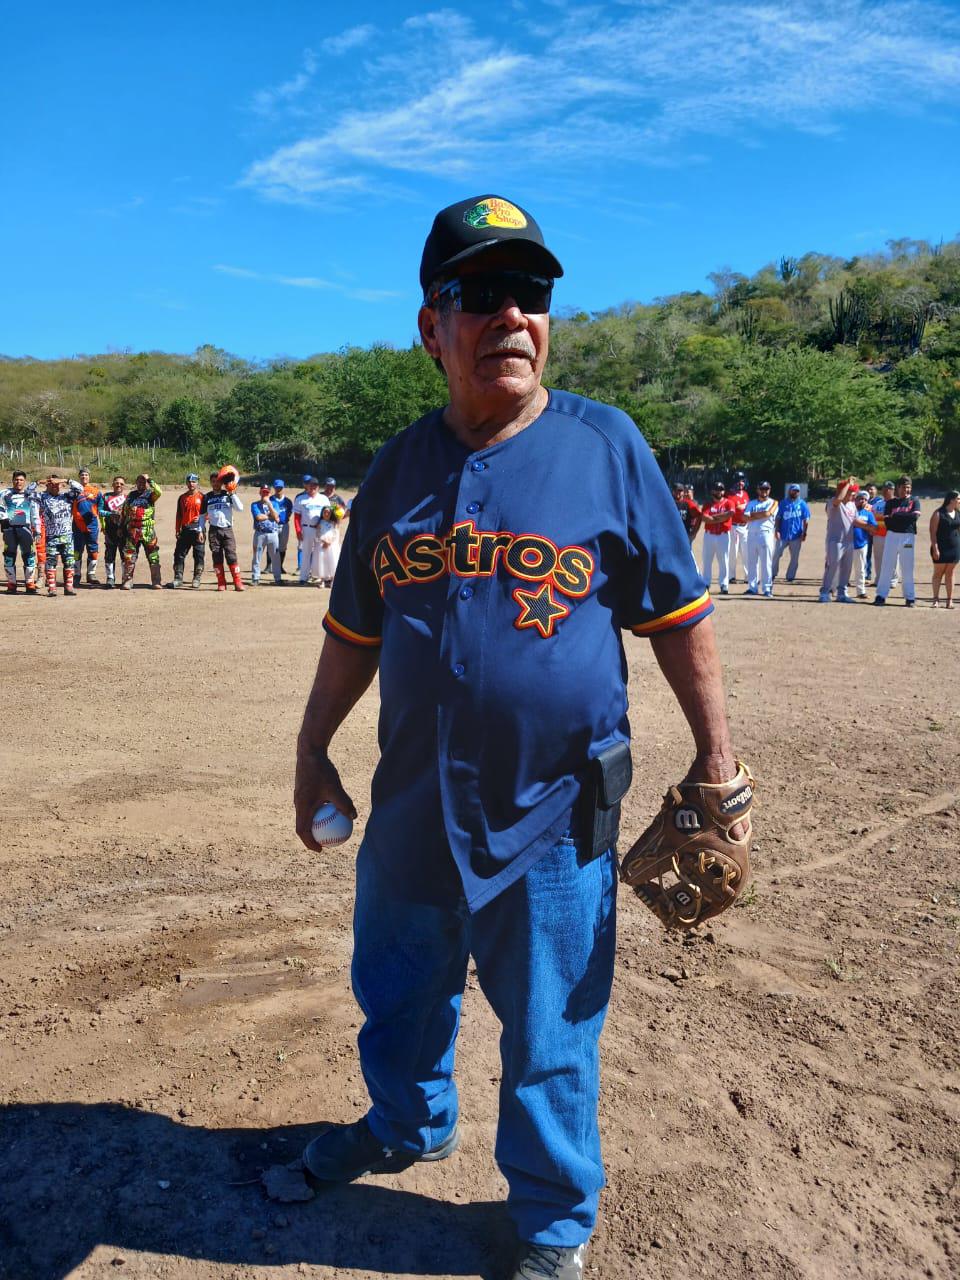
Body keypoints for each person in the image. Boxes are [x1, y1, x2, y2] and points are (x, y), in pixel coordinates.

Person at [293, 193, 741, 1280]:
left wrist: (717, 762)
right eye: (479, 293)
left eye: (530, 294)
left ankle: (548, 1221)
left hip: (556, 810)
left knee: (550, 1032)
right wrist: (311, 749)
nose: (511, 316)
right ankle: (406, 1122)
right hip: (409, 804)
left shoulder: (605, 446)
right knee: (398, 988)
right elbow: (353, 631)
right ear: (430, 326)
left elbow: (679, 619)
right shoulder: (396, 469)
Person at [874, 475, 920, 607]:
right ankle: (881, 595)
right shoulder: (891, 503)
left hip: (907, 536)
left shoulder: (914, 501)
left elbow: (914, 518)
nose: (907, 490)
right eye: (905, 487)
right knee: (887, 566)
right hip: (892, 536)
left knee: (907, 567)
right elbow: (887, 521)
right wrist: (903, 517)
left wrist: (897, 515)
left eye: (909, 487)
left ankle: (910, 597)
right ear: (899, 488)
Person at [36, 474, 82, 596]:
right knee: (51, 562)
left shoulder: (67, 496)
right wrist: (39, 481)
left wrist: (65, 480)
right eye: (52, 484)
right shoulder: (42, 497)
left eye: (57, 484)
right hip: (51, 537)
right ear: (48, 485)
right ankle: (52, 588)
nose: (55, 486)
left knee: (69, 562)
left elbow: (80, 488)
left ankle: (69, 588)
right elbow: (28, 492)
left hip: (67, 536)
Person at [120, 473, 163, 590]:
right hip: (132, 530)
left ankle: (156, 580)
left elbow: (159, 491)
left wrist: (149, 479)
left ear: (146, 483)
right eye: (139, 481)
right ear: (136, 483)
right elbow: (124, 511)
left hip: (148, 530)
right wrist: (121, 526)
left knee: (153, 555)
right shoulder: (131, 495)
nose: (141, 484)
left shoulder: (151, 494)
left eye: (143, 482)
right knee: (129, 556)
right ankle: (127, 581)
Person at [819, 477, 858, 604]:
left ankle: (842, 593)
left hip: (849, 541)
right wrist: (847, 484)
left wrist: (870, 527)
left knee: (846, 569)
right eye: (851, 492)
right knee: (832, 567)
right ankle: (825, 592)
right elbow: (839, 499)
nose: (853, 495)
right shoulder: (833, 503)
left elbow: (855, 520)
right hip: (835, 541)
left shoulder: (852, 505)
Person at [1, 470, 41, 594]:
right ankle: (11, 584)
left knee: (29, 556)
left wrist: (37, 530)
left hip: (26, 529)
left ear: (25, 481)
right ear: (12, 480)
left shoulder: (30, 495)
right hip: (9, 529)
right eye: (16, 479)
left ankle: (30, 584)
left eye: (21, 480)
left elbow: (35, 513)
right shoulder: (4, 493)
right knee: (9, 556)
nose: (18, 482)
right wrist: (3, 519)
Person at [204, 470, 244, 592]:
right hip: (213, 530)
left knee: (231, 555)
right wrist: (201, 530)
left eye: (218, 481)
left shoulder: (228, 494)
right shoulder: (207, 497)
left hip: (227, 529)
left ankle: (237, 582)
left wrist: (232, 493)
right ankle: (221, 583)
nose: (215, 484)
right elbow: (202, 516)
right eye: (213, 481)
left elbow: (240, 508)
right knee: (216, 556)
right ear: (211, 483)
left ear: (221, 482)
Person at [742, 480, 778, 597]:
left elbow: (768, 514)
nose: (764, 491)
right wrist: (759, 515)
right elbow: (744, 517)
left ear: (769, 490)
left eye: (766, 489)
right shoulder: (751, 503)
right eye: (762, 489)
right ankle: (752, 587)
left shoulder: (774, 502)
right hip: (751, 534)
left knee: (766, 562)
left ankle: (767, 588)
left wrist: (752, 516)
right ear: (758, 490)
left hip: (765, 534)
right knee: (752, 562)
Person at [172, 473, 207, 589]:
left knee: (199, 555)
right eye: (189, 481)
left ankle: (197, 578)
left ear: (197, 483)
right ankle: (178, 578)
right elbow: (179, 515)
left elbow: (210, 514)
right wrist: (178, 529)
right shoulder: (182, 498)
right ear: (186, 483)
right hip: (185, 530)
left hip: (199, 530)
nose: (191, 484)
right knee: (179, 554)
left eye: (194, 481)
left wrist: (203, 517)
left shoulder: (203, 497)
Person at [294, 476, 329, 585]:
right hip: (306, 528)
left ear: (318, 487)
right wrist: (298, 531)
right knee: (306, 553)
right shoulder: (301, 499)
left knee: (320, 553)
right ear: (307, 486)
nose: (312, 487)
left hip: (320, 529)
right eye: (310, 485)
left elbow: (328, 515)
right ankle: (303, 577)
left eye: (315, 485)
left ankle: (318, 577)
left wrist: (326, 531)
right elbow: (296, 517)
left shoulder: (323, 499)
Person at [700, 480, 734, 595]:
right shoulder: (708, 503)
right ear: (712, 491)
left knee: (724, 560)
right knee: (707, 560)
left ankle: (724, 584)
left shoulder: (728, 502)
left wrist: (713, 518)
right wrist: (720, 518)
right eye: (716, 489)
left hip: (723, 535)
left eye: (721, 489)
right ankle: (706, 583)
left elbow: (729, 514)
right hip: (709, 535)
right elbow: (704, 518)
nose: (718, 492)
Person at [71, 466, 103, 585]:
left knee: (93, 549)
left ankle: (91, 574)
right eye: (82, 475)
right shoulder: (74, 491)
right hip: (77, 525)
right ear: (79, 477)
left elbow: (100, 508)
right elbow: (69, 508)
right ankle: (76, 574)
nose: (84, 477)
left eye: (86, 475)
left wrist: (103, 523)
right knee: (77, 550)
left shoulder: (96, 491)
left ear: (89, 477)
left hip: (92, 525)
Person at [772, 483, 810, 583]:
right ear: (789, 491)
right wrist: (777, 531)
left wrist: (804, 533)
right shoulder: (783, 503)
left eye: (797, 491)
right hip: (783, 534)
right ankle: (772, 573)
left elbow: (806, 520)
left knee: (794, 557)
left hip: (796, 535)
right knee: (776, 554)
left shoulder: (802, 504)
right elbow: (778, 518)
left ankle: (790, 576)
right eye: (793, 490)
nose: (795, 492)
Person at [929, 490, 959, 608]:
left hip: (955, 548)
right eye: (958, 499)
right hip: (941, 547)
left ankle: (949, 600)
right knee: (938, 573)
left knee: (950, 573)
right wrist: (935, 548)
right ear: (952, 500)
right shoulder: (938, 513)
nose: (959, 501)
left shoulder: (958, 513)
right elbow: (933, 532)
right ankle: (935, 599)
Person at [251, 485, 283, 585]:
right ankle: (256, 578)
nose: (265, 494)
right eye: (263, 492)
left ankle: (278, 578)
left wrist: (269, 504)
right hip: (260, 533)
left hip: (273, 534)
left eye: (267, 492)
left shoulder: (274, 503)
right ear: (260, 492)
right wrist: (270, 516)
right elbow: (258, 517)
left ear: (269, 493)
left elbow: (277, 516)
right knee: (257, 556)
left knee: (276, 557)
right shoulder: (255, 504)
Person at [851, 491, 878, 597]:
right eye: (860, 498)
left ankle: (861, 591)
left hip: (861, 544)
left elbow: (874, 528)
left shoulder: (869, 514)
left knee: (860, 569)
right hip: (847, 543)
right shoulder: (850, 511)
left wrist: (870, 529)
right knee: (842, 568)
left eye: (865, 499)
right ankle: (836, 589)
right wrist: (866, 526)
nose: (862, 501)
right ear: (855, 500)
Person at [101, 476, 127, 588]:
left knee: (125, 555)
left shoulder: (127, 498)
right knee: (109, 554)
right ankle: (110, 578)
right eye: (116, 483)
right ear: (113, 484)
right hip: (110, 529)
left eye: (121, 484)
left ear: (124, 486)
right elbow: (100, 511)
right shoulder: (106, 497)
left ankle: (125, 578)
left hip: (124, 530)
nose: (118, 485)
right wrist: (110, 514)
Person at [870, 481, 897, 590]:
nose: (886, 491)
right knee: (878, 558)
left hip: (892, 534)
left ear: (893, 490)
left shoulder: (897, 503)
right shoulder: (877, 504)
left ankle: (892, 580)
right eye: (884, 489)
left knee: (893, 558)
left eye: (889, 489)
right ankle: (879, 578)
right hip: (878, 535)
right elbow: (871, 518)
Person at [727, 472, 749, 583]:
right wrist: (743, 506)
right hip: (734, 527)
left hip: (745, 526)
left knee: (746, 552)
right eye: (739, 480)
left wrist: (743, 507)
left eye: (742, 480)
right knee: (733, 552)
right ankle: (731, 576)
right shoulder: (730, 495)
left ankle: (748, 576)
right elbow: (736, 508)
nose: (741, 483)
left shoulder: (745, 494)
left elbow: (745, 508)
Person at [271, 479, 294, 573]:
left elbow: (290, 512)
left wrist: (284, 519)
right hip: (273, 525)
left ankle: (280, 566)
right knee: (271, 546)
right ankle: (269, 566)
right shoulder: (270, 499)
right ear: (274, 488)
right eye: (277, 487)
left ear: (283, 487)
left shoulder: (287, 501)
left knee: (282, 547)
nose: (278, 489)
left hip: (284, 525)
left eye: (280, 487)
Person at [315, 504, 341, 587]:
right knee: (322, 562)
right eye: (325, 512)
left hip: (332, 546)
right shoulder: (320, 523)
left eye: (328, 512)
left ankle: (333, 580)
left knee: (332, 561)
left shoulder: (334, 523)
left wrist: (330, 542)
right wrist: (323, 541)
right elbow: (318, 534)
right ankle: (322, 581)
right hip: (322, 545)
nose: (326, 514)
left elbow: (335, 534)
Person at [672, 481, 701, 546]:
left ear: (683, 492)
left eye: (680, 491)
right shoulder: (669, 502)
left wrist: (694, 532)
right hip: (671, 535)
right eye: (676, 490)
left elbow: (699, 516)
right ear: (672, 491)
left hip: (685, 535)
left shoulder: (688, 503)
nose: (678, 493)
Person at [862, 483, 878, 580]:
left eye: (872, 489)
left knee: (878, 554)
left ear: (876, 490)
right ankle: (867, 573)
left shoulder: (879, 501)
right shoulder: (862, 501)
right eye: (868, 489)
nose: (870, 491)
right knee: (866, 553)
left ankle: (880, 575)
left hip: (877, 530)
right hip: (866, 530)